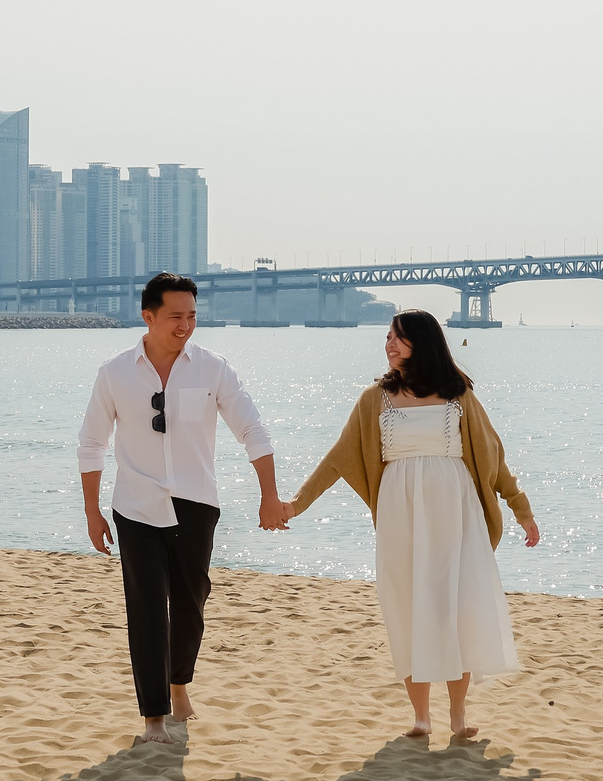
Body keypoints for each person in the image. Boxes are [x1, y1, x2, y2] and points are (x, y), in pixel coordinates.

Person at [265, 310, 539, 742]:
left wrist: (521, 510)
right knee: (409, 607)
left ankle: (458, 713)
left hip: (456, 509)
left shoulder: (458, 393)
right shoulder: (375, 398)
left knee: (458, 607)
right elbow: (339, 458)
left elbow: (493, 456)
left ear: (423, 342)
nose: (389, 344)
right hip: (400, 511)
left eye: (399, 338)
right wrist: (295, 505)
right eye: (388, 337)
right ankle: (420, 717)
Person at [78, 272, 283, 746]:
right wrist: (92, 511)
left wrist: (268, 494)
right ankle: (153, 718)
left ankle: (179, 685)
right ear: (147, 316)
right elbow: (92, 444)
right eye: (175, 317)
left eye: (192, 316)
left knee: (189, 609)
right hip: (136, 508)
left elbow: (253, 430)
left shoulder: (213, 369)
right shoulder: (114, 373)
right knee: (147, 609)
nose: (185, 326)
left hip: (195, 506)